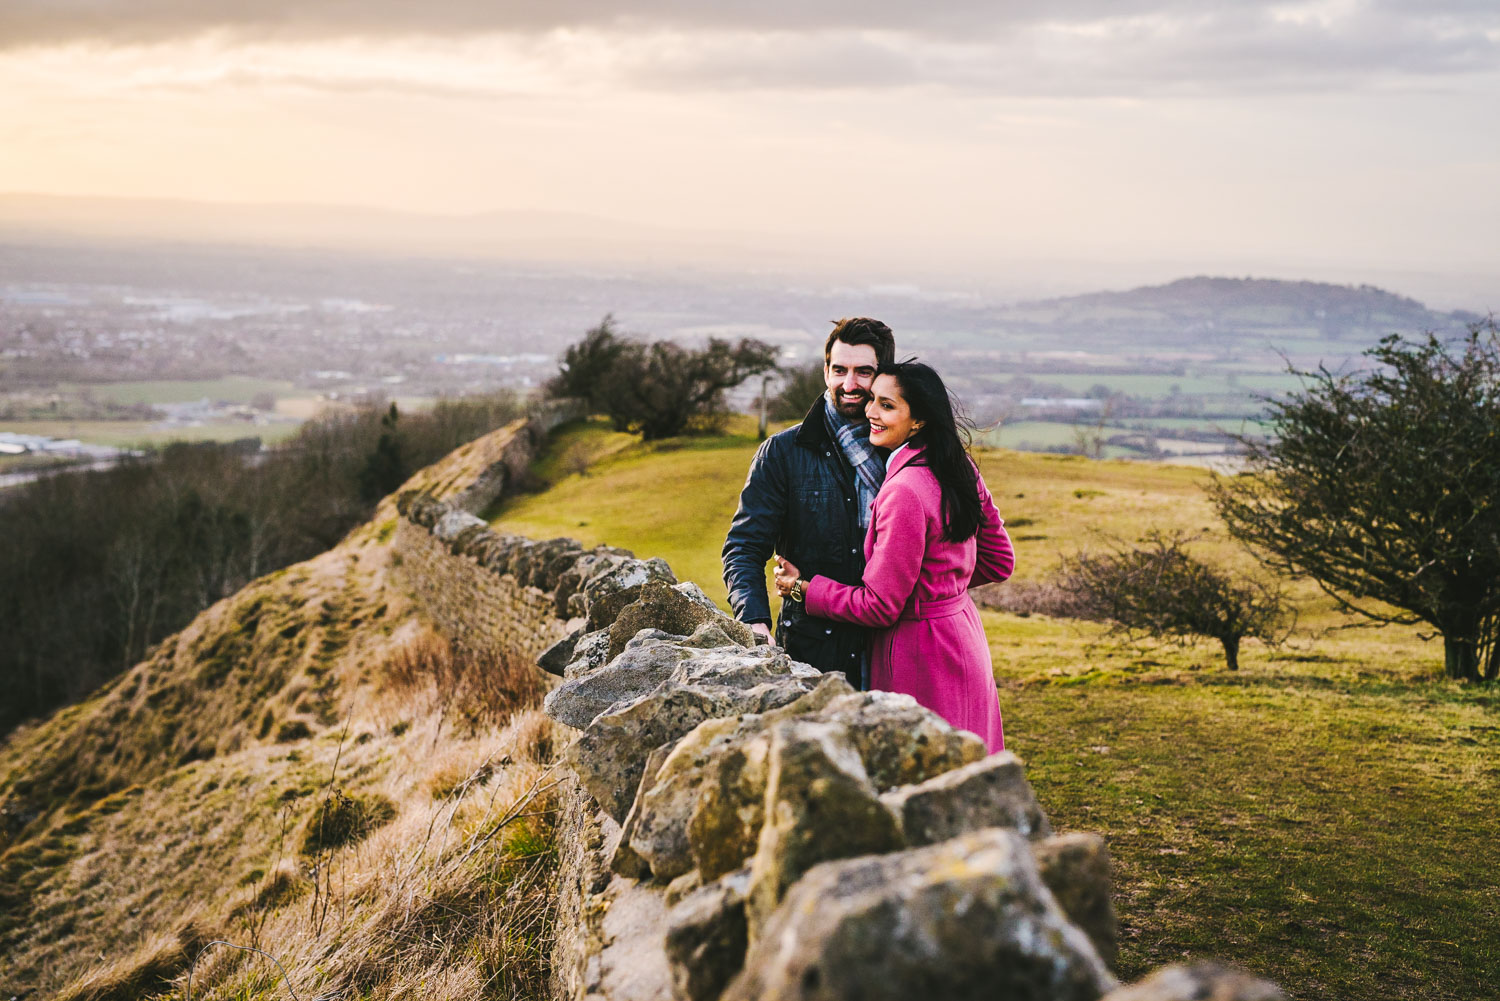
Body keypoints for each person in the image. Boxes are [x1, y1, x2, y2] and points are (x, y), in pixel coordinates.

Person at [773, 361, 1013, 751]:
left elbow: (880, 606)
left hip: (920, 654)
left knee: (923, 782)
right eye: (872, 401)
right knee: (969, 778)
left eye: (887, 406)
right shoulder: (958, 466)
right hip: (964, 638)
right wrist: (942, 590)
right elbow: (999, 561)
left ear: (917, 421)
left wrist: (802, 588)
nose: (870, 412)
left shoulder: (904, 492)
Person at [722, 317, 896, 688]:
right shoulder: (783, 453)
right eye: (839, 370)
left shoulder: (907, 455)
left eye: (864, 372)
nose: (849, 384)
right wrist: (754, 622)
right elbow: (744, 547)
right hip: (812, 652)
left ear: (884, 376)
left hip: (896, 649)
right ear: (825, 372)